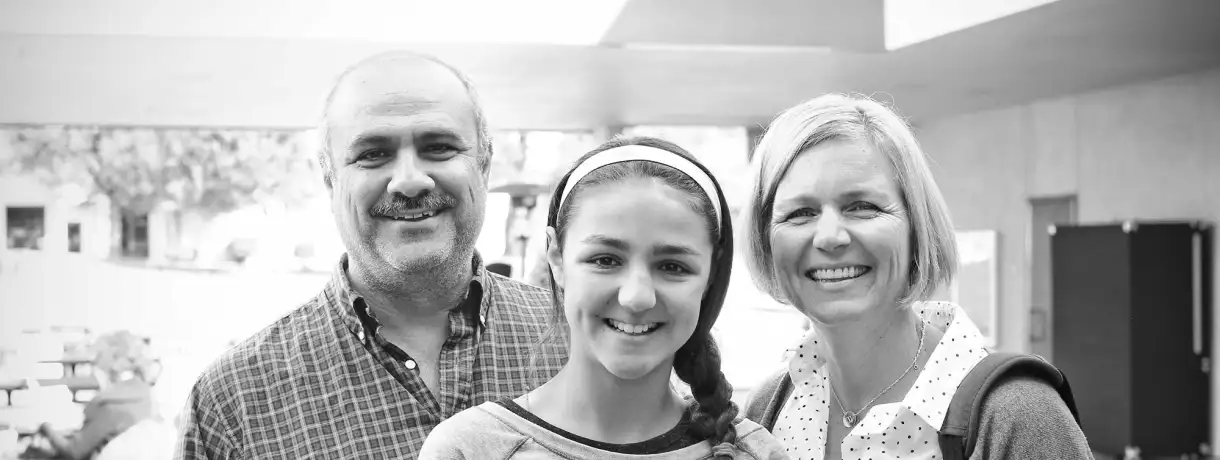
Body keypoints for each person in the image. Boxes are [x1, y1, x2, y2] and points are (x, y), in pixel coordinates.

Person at [176, 51, 566, 458]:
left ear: (483, 166)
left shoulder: (580, 343)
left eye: (439, 147)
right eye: (372, 154)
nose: (410, 180)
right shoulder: (233, 403)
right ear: (330, 180)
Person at [739, 93, 1091, 459]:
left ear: (916, 227)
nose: (829, 236)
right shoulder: (769, 408)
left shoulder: (1017, 416)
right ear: (765, 240)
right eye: (799, 213)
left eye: (862, 207)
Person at [420, 136, 789, 459]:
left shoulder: (755, 452)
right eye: (605, 260)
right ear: (556, 257)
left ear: (711, 273)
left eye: (673, 266)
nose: (637, 297)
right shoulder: (470, 449)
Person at [25, 331, 157, 460]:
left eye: (96, 361)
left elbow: (73, 452)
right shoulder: (146, 397)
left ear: (108, 365)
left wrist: (44, 425)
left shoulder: (109, 405)